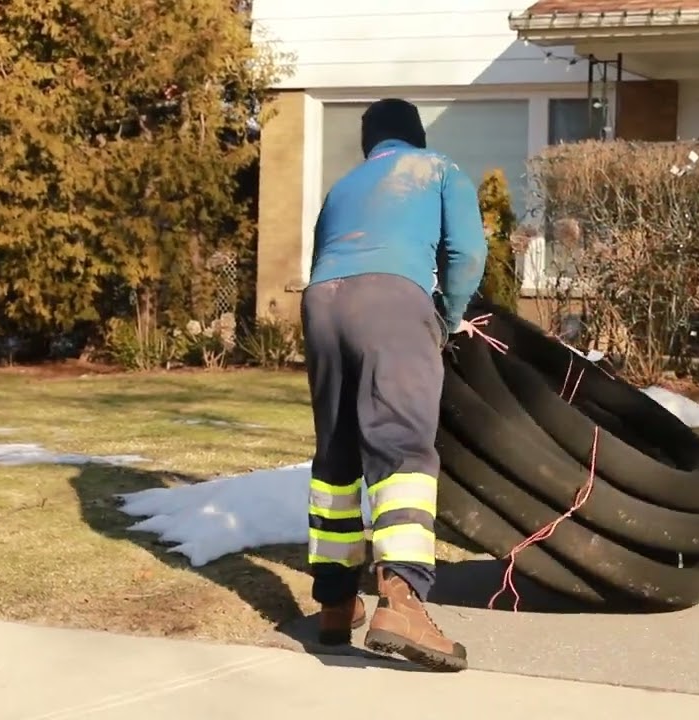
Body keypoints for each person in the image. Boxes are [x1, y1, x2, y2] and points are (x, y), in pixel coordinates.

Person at [300, 98, 487, 672]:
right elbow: (467, 252)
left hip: (322, 304)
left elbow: (321, 261)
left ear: (369, 144)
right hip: (392, 301)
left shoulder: (343, 186)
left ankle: (335, 603)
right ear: (417, 136)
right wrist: (449, 317)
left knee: (336, 455)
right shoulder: (437, 170)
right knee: (401, 450)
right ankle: (401, 601)